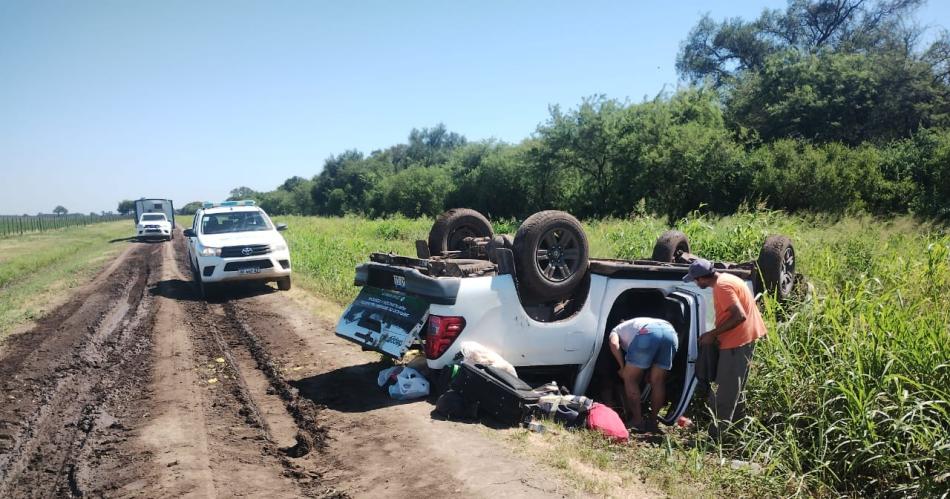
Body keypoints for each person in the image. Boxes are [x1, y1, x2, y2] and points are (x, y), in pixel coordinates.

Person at [683, 258, 767, 439]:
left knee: (723, 392)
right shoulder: (728, 278)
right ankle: (736, 435)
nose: (696, 284)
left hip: (736, 343)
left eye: (696, 280)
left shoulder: (722, 287)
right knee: (736, 390)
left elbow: (739, 316)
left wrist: (712, 334)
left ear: (702, 278)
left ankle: (716, 438)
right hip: (745, 338)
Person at [608, 317, 679, 433]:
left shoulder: (616, 330)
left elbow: (613, 343)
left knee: (629, 378)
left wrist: (622, 367)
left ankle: (637, 421)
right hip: (670, 333)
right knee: (658, 381)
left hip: (647, 333)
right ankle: (653, 421)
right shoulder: (637, 323)